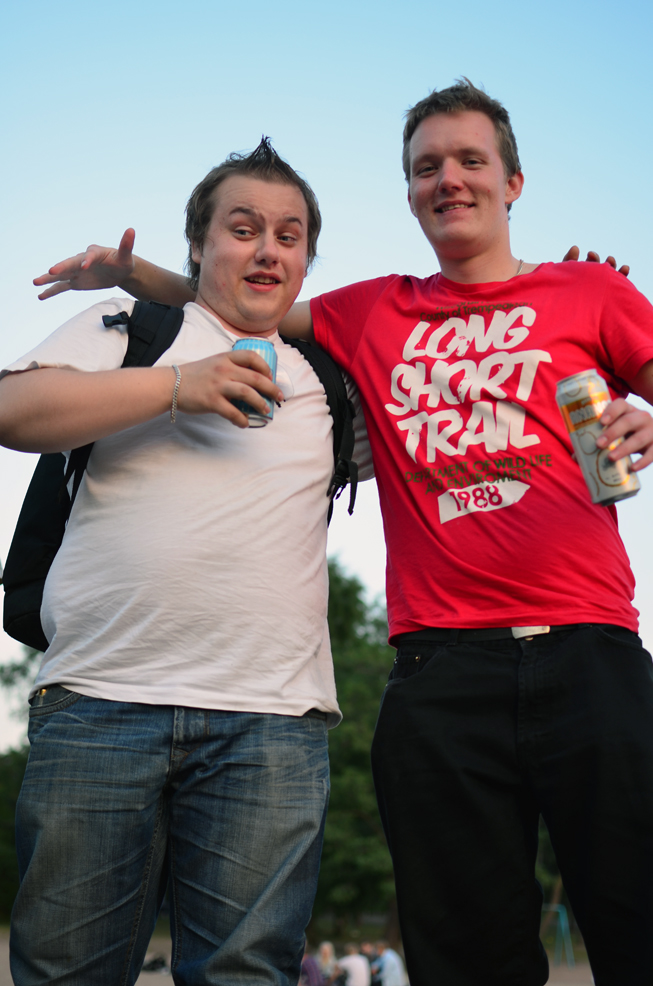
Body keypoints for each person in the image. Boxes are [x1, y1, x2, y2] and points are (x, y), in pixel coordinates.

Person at [33, 81, 653, 985]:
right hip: (438, 671)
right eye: (425, 166)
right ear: (407, 191)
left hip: (589, 649)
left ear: (513, 181)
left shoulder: (590, 290)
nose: (448, 179)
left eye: (470, 160)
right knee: (466, 954)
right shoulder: (369, 312)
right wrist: (133, 277)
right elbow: (241, 301)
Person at [0, 138, 371, 986]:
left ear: (306, 261)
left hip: (270, 725)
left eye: (289, 235)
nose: (267, 249)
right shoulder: (134, 328)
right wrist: (177, 386)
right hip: (100, 701)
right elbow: (13, 409)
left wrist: (571, 319)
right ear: (198, 245)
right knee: (64, 971)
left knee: (245, 974)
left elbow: (461, 421)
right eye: (242, 229)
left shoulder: (331, 382)